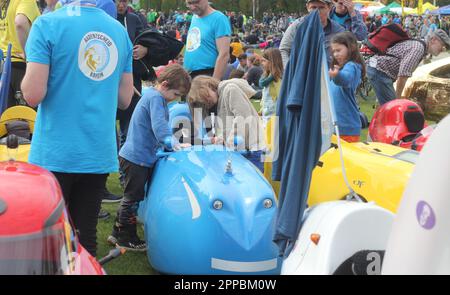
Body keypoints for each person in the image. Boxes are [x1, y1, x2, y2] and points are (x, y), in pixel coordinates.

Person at [21, 0, 134, 257]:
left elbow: (32, 94)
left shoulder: (47, 24)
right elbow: (125, 99)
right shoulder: (118, 30)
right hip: (97, 149)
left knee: (49, 239)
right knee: (85, 238)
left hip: (55, 150)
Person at [108, 64, 191, 250]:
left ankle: (116, 232)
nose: (175, 99)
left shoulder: (152, 96)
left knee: (131, 197)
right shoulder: (156, 99)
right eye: (176, 94)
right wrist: (172, 143)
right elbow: (159, 127)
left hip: (135, 156)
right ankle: (127, 238)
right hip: (136, 158)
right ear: (166, 84)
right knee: (133, 198)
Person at [188, 76, 265, 171]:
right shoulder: (219, 100)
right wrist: (221, 139)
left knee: (253, 182)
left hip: (252, 149)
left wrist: (230, 144)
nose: (208, 101)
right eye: (204, 102)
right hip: (240, 149)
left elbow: (242, 118)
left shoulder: (230, 90)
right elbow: (229, 126)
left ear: (210, 85)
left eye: (206, 96)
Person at [367, 29, 450, 106]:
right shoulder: (418, 49)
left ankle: (378, 120)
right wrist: (397, 99)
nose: (443, 49)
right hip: (379, 72)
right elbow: (402, 76)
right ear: (433, 40)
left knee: (386, 107)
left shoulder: (420, 46)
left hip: (379, 71)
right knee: (392, 107)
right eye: (443, 45)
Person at [279, 0, 345, 67]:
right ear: (307, 7)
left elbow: (348, 54)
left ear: (329, 8)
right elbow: (284, 49)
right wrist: (289, 71)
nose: (317, 12)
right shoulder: (297, 26)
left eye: (321, 7)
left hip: (329, 75)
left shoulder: (338, 31)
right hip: (302, 74)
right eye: (313, 7)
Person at [0, 0, 40, 108]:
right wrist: (28, 54)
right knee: (27, 120)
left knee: (5, 120)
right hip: (22, 68)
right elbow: (20, 23)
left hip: (3, 67)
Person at [328, 32, 365, 142]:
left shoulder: (352, 66)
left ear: (351, 48)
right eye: (333, 51)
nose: (335, 54)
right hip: (336, 127)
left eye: (338, 50)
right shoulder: (341, 69)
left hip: (346, 128)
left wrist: (337, 75)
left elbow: (345, 79)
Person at [184, 0, 231, 80]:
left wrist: (213, 82)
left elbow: (224, 55)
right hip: (189, 74)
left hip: (207, 75)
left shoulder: (219, 19)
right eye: (189, 3)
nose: (192, 6)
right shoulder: (194, 17)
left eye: (196, 2)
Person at [259, 48, 283, 124]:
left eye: (264, 61)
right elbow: (265, 96)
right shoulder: (267, 77)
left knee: (272, 135)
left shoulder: (277, 79)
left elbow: (280, 96)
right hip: (266, 113)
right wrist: (261, 110)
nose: (262, 63)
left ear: (272, 62)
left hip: (274, 115)